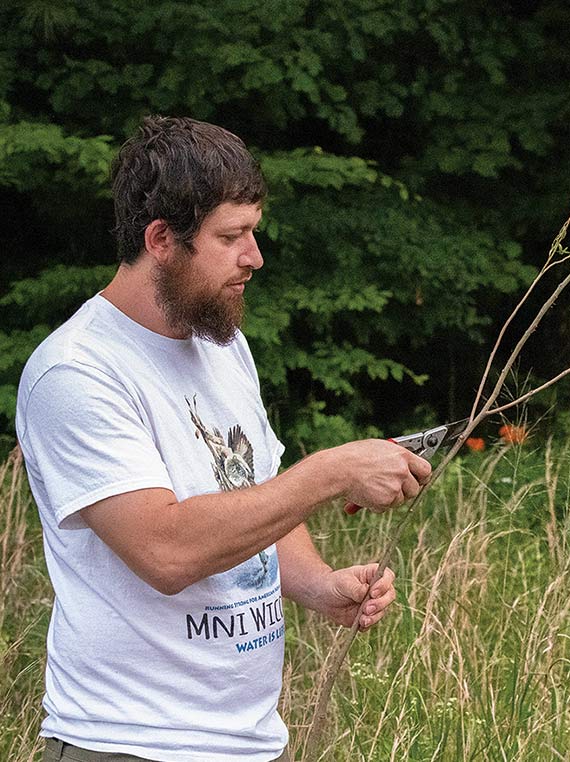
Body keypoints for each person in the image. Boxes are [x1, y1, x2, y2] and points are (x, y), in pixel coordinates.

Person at [15, 116, 431, 762]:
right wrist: (329, 472)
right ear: (160, 239)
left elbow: (256, 495)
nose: (254, 258)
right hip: (131, 743)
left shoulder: (222, 344)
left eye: (254, 233)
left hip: (250, 740)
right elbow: (165, 551)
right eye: (232, 237)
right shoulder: (77, 371)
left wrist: (317, 584)